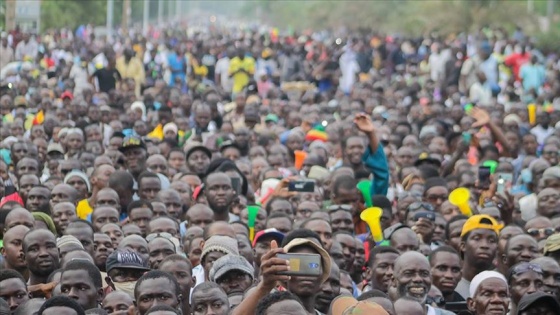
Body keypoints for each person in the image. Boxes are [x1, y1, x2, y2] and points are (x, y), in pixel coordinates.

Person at [456, 214, 502, 299]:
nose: (484, 245)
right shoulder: (452, 285)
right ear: (463, 246)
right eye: (477, 238)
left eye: (491, 240)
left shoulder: (501, 288)